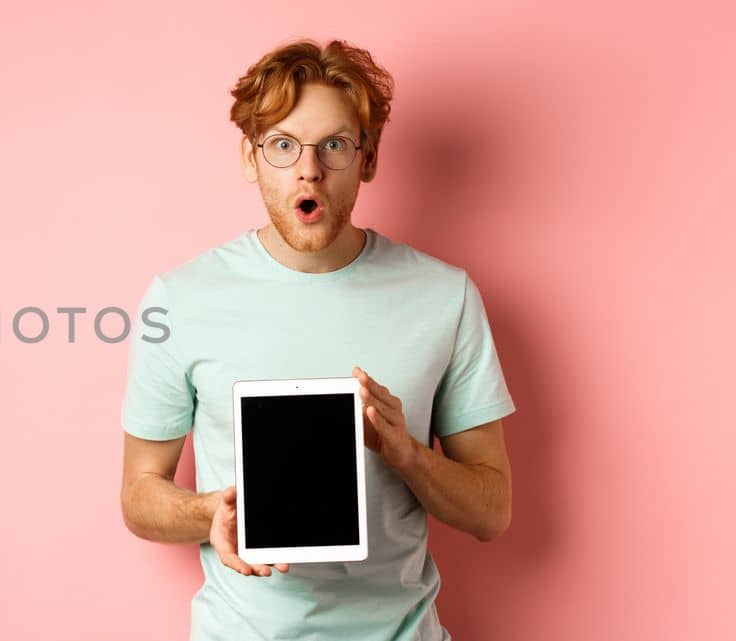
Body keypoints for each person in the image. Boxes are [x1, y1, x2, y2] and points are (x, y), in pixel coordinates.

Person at [118, 38, 516, 641]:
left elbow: (492, 511)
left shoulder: (446, 296)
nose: (309, 169)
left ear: (368, 158)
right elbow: (138, 494)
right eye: (283, 145)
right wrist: (210, 514)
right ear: (251, 159)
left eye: (334, 145)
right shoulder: (180, 299)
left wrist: (408, 454)